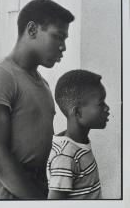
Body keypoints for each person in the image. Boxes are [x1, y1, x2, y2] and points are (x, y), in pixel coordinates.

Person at [0, 0, 75, 199]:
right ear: (32, 30)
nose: (63, 47)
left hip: (34, 186)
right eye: (58, 37)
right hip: (7, 191)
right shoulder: (0, 75)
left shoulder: (42, 83)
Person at [47, 70, 109, 199]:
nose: (107, 108)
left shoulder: (79, 145)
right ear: (77, 112)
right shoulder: (65, 156)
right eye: (101, 103)